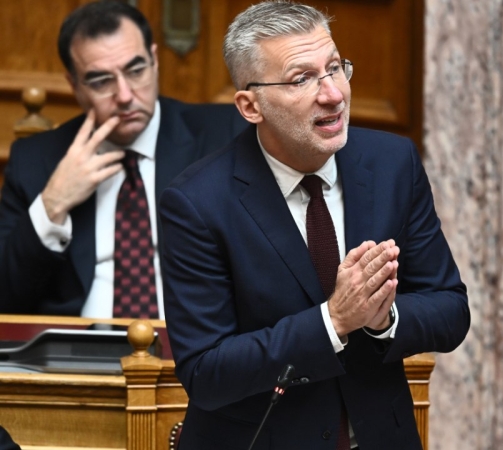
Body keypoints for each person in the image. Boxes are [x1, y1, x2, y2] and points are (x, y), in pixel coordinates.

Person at [159, 1, 471, 449]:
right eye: (301, 79)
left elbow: (450, 309)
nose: (333, 94)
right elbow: (207, 372)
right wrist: (333, 320)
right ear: (250, 105)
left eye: (335, 68)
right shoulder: (197, 203)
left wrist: (384, 319)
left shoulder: (392, 164)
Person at [0, 1, 247, 318]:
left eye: (135, 70)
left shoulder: (226, 137)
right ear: (74, 85)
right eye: (101, 81)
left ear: (154, 61)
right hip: (76, 344)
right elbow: (6, 298)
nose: (125, 95)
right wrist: (53, 204)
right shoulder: (36, 161)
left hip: (196, 341)